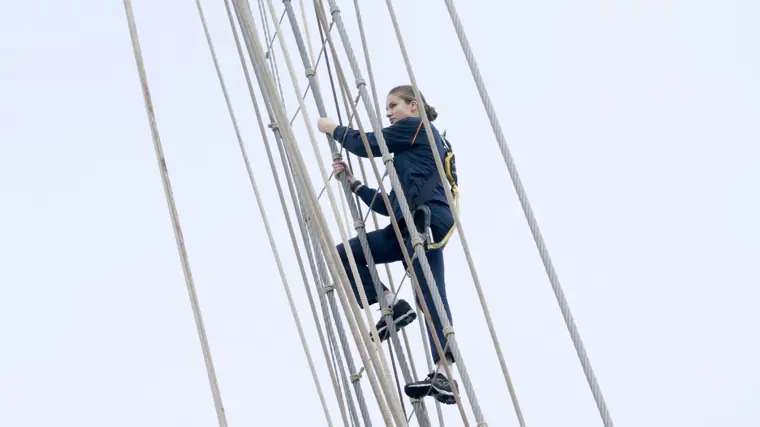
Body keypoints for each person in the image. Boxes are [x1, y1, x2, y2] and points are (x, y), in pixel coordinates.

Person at [317, 85, 457, 405]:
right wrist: (355, 185)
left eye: (394, 105)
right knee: (345, 255)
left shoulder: (418, 128)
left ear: (413, 106)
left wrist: (332, 128)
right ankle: (391, 305)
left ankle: (445, 373)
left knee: (430, 291)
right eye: (388, 108)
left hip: (427, 222)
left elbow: (366, 144)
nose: (390, 112)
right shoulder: (408, 158)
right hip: (406, 224)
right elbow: (391, 207)